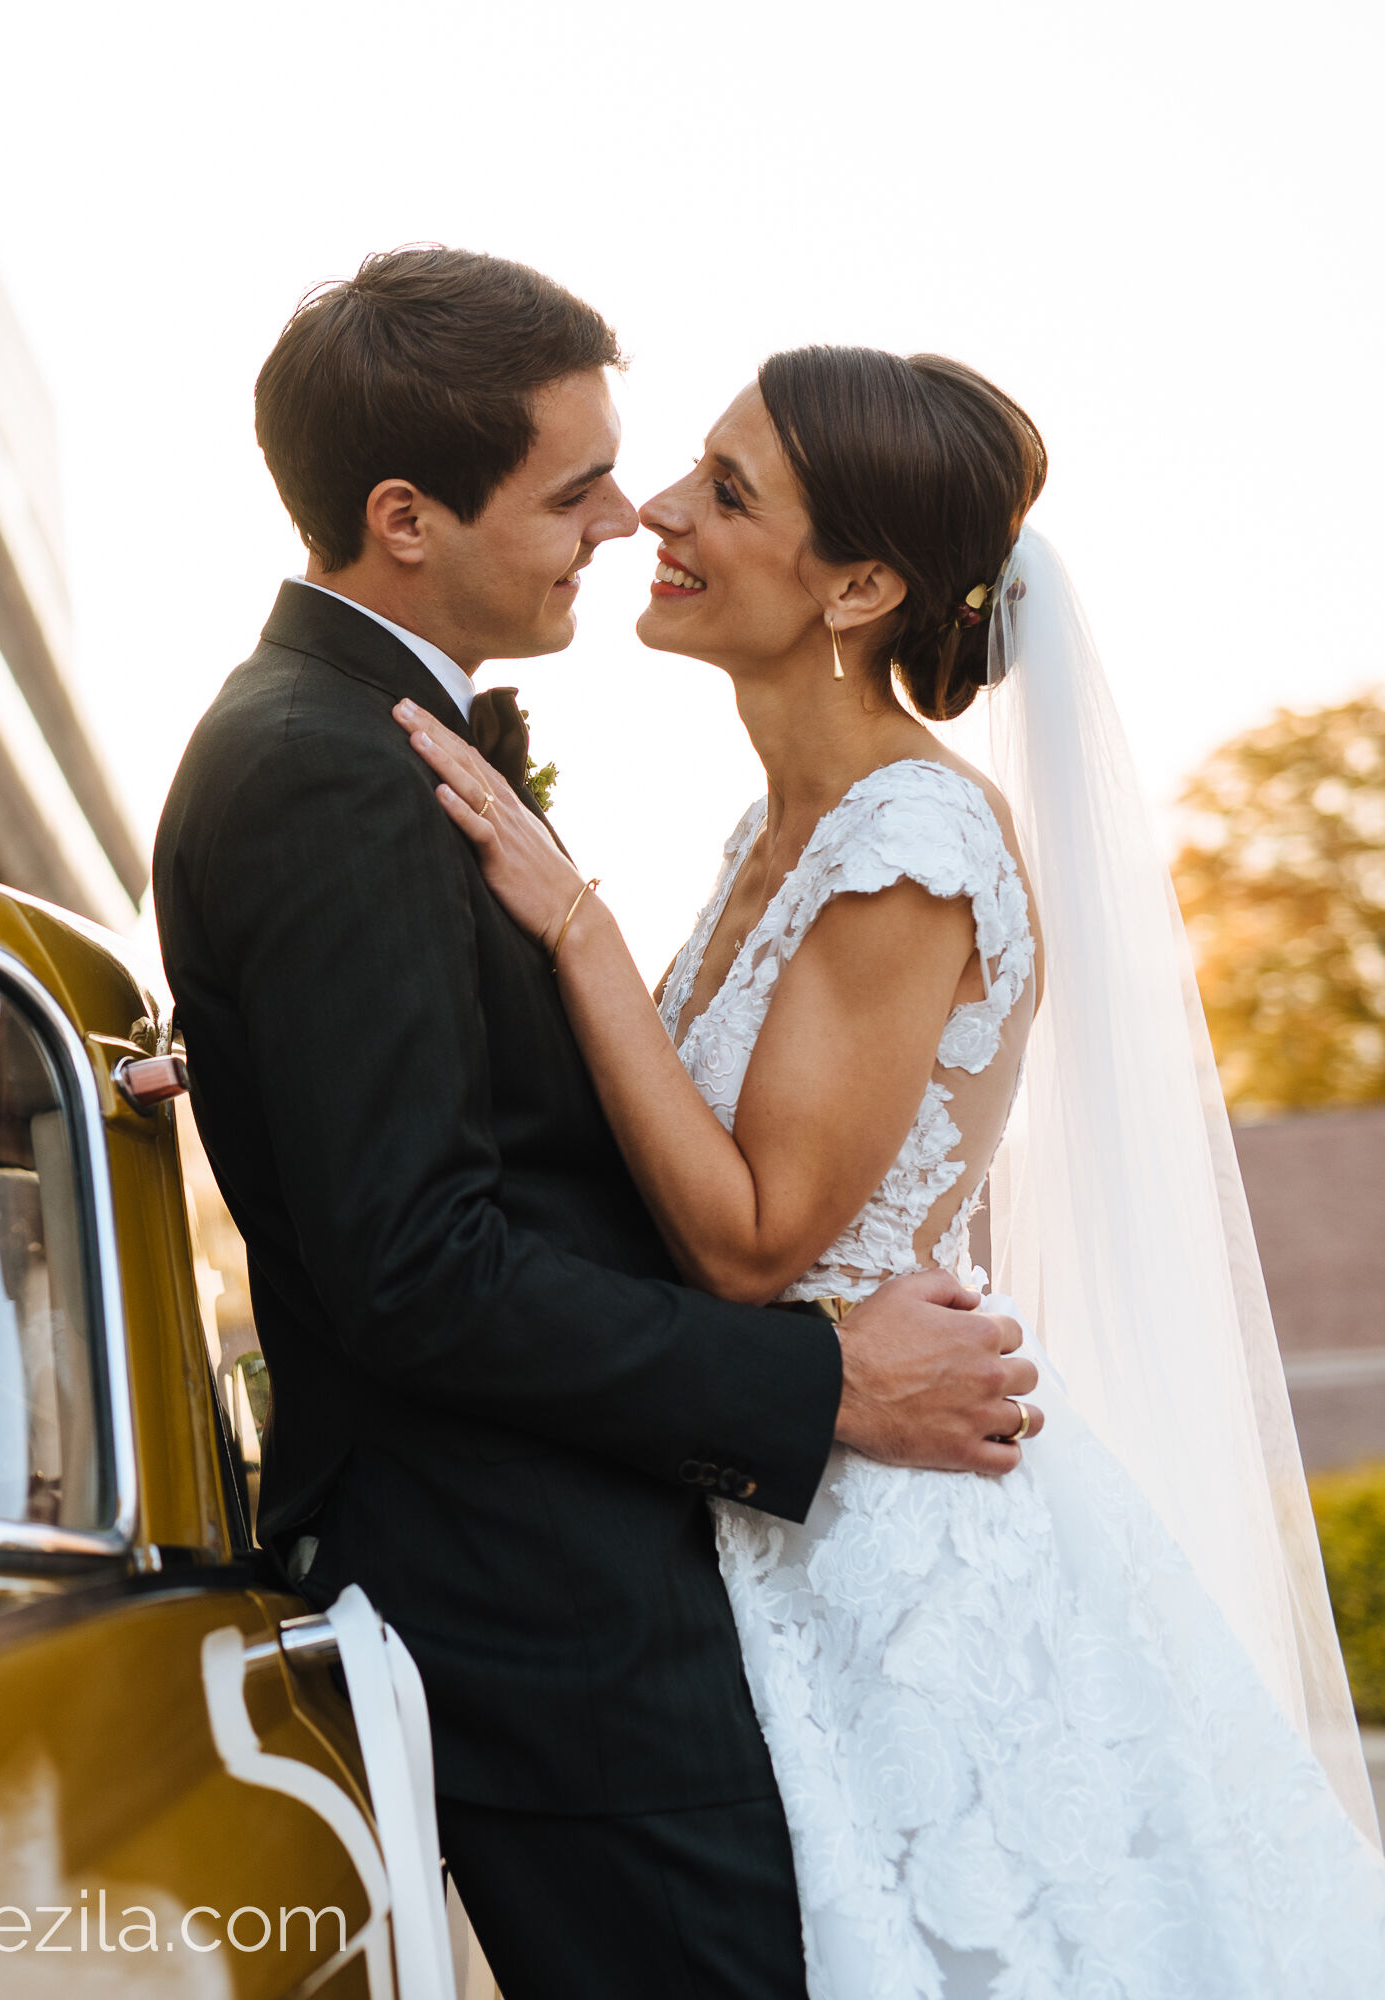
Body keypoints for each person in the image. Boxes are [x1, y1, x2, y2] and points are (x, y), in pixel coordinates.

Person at [399, 345, 1385, 1993]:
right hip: (769, 1487)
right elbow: (627, 1148)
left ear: (857, 583)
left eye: (727, 491)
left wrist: (575, 924)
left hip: (892, 1549)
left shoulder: (910, 848)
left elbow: (755, 1244)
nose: (658, 511)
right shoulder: (776, 827)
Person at [152, 248, 1031, 1998]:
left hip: (689, 1551)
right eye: (581, 487)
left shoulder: (381, 744)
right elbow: (419, 1262)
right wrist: (824, 1382)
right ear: (405, 518)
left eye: (691, 479)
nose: (630, 519)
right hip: (539, 1591)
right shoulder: (329, 769)